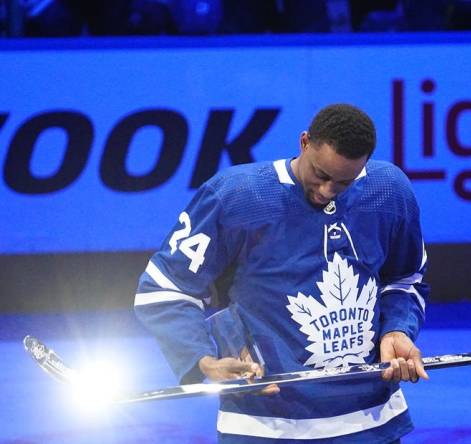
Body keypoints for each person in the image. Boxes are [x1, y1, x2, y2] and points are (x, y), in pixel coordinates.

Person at [134, 103, 430, 443]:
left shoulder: (389, 191)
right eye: (321, 174)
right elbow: (166, 287)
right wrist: (203, 359)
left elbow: (406, 278)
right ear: (304, 142)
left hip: (373, 421)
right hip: (263, 426)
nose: (327, 191)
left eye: (344, 183)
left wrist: (397, 329)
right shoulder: (236, 196)